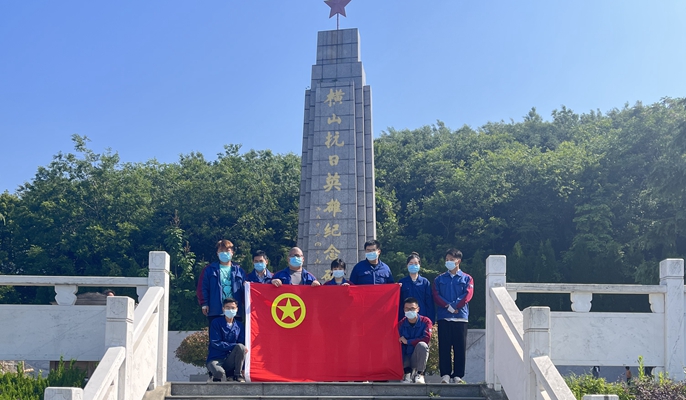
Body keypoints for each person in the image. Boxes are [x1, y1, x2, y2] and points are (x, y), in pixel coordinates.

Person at [432, 248, 473, 384]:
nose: (448, 262)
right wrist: (448, 306)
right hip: (444, 317)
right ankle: (445, 374)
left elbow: (467, 295)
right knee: (444, 346)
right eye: (447, 260)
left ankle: (458, 375)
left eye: (451, 259)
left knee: (459, 347)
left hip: (460, 317)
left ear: (458, 261)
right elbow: (436, 295)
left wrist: (455, 306)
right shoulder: (439, 279)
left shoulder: (467, 278)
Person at [201, 239, 247, 326]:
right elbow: (203, 287)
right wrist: (204, 303)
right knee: (216, 334)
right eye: (221, 250)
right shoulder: (209, 270)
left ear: (232, 252)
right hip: (216, 311)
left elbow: (246, 290)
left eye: (227, 250)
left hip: (235, 312)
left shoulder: (240, 271)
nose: (224, 253)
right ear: (217, 253)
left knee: (236, 334)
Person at [206, 298, 247, 382]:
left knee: (241, 347)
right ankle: (214, 374)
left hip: (230, 360)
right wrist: (233, 346)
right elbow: (215, 343)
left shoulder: (239, 326)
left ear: (237, 309)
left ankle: (237, 375)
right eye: (227, 308)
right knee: (219, 373)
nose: (230, 310)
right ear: (223, 309)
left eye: (233, 308)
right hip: (216, 358)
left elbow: (241, 347)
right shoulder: (216, 322)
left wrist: (243, 367)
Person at [398, 297, 432, 384]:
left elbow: (426, 339)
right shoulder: (401, 324)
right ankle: (407, 374)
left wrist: (408, 342)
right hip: (405, 357)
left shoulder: (426, 322)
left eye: (412, 308)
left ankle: (420, 374)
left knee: (422, 345)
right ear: (404, 310)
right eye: (407, 309)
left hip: (417, 357)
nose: (409, 311)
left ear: (418, 309)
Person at [398, 252, 435, 323]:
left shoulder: (425, 282)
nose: (413, 266)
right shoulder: (402, 282)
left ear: (419, 265)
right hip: (405, 318)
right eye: (411, 264)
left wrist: (431, 320)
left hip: (422, 318)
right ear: (407, 266)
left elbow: (429, 303)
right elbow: (398, 302)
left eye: (416, 263)